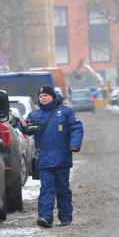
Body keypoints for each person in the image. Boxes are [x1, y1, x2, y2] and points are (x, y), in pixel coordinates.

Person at [20, 86, 84, 228]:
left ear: (52, 96)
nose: (42, 98)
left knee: (62, 189)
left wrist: (74, 144)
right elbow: (29, 131)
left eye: (45, 95)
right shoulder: (35, 115)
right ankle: (45, 217)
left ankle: (65, 217)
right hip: (44, 159)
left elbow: (76, 128)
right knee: (46, 188)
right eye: (40, 96)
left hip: (62, 158)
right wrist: (23, 125)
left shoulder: (66, 112)